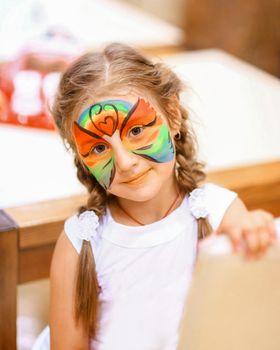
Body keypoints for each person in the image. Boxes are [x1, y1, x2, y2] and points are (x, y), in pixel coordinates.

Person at [32, 43, 277, 350]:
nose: (125, 162)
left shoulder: (219, 213)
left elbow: (250, 316)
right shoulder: (80, 244)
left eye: (135, 131)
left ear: (172, 116)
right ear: (82, 160)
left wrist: (253, 232)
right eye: (98, 148)